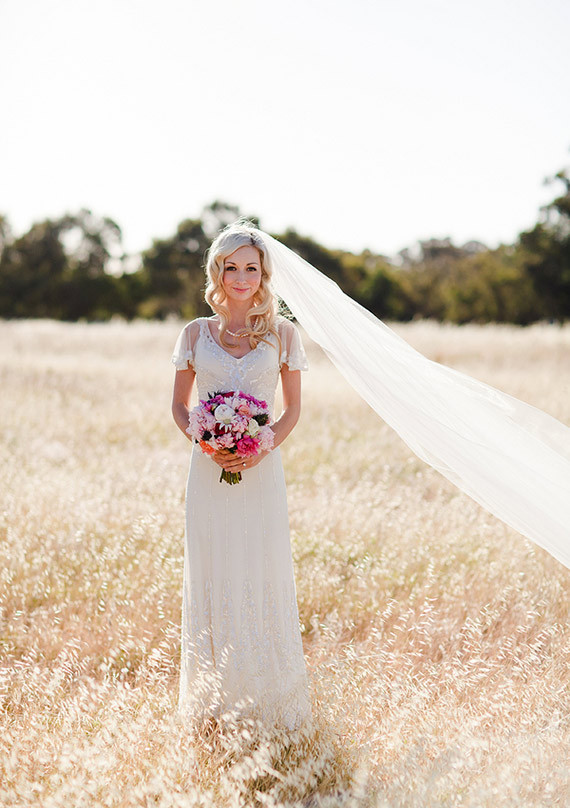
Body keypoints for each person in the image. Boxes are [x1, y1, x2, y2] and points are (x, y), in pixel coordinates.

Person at [171, 221, 313, 732]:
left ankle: (270, 706)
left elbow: (292, 410)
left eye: (251, 268)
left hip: (261, 471)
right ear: (218, 272)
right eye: (231, 267)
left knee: (261, 569)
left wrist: (258, 448)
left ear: (263, 274)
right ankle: (212, 706)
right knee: (212, 571)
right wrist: (208, 442)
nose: (241, 277)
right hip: (207, 472)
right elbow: (179, 406)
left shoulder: (283, 335)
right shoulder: (194, 334)